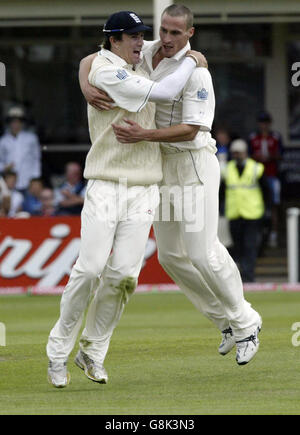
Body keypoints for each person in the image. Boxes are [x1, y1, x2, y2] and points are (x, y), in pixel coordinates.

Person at [79, 4, 262, 370]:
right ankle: (224, 322)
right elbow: (91, 57)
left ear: (190, 34)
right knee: (170, 256)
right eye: (163, 30)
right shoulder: (147, 50)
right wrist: (85, 84)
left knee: (203, 251)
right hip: (160, 165)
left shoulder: (198, 73)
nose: (166, 39)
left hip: (193, 163)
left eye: (175, 33)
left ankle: (246, 323)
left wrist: (144, 135)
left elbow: (193, 129)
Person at [47, 9, 206, 388]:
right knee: (89, 270)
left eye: (142, 36)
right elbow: (165, 90)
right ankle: (57, 354)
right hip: (106, 182)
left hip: (143, 187)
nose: (142, 43)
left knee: (124, 277)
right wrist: (195, 62)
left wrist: (80, 72)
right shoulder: (105, 70)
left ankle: (93, 352)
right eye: (133, 37)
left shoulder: (138, 58)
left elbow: (164, 48)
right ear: (113, 39)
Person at [221, 139, 271, 282]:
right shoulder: (227, 169)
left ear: (245, 153)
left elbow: (266, 191)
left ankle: (249, 275)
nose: (237, 156)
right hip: (234, 213)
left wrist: (267, 209)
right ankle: (240, 275)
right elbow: (222, 192)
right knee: (237, 246)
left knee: (250, 245)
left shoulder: (256, 168)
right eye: (234, 153)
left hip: (252, 213)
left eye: (239, 153)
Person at [248, 110, 283, 247]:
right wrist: (257, 157)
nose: (264, 125)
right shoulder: (252, 137)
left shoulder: (275, 137)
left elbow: (281, 154)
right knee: (257, 204)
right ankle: (259, 234)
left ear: (269, 124)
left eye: (266, 122)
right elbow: (248, 155)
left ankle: (273, 234)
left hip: (272, 175)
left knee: (274, 205)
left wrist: (270, 156)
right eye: (261, 122)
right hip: (256, 177)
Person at [0, 107, 41, 193]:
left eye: (18, 122)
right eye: (13, 122)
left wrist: (35, 178)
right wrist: (4, 167)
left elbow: (36, 158)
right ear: (9, 123)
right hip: (10, 181)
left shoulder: (31, 138)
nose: (15, 124)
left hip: (28, 179)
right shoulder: (3, 140)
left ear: (22, 123)